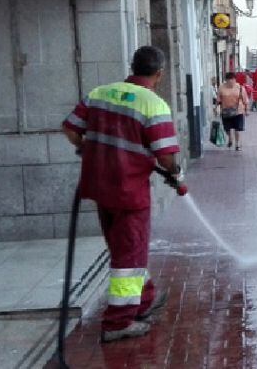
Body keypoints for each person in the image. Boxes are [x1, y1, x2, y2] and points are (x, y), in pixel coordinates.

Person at [61, 46, 182, 343]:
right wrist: (177, 175)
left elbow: (71, 128)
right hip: (130, 192)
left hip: (100, 187)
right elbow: (166, 157)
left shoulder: (100, 93)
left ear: (132, 67)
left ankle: (144, 299)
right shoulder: (153, 104)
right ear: (160, 74)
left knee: (124, 249)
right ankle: (118, 323)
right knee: (128, 256)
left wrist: (86, 148)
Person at [217, 72, 250, 150]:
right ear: (226, 80)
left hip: (238, 111)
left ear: (235, 80)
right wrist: (217, 108)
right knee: (227, 128)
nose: (231, 81)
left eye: (233, 79)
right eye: (229, 80)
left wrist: (247, 109)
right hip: (226, 111)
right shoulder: (221, 88)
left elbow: (245, 99)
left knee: (238, 128)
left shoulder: (240, 88)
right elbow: (218, 100)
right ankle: (230, 137)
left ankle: (237, 144)